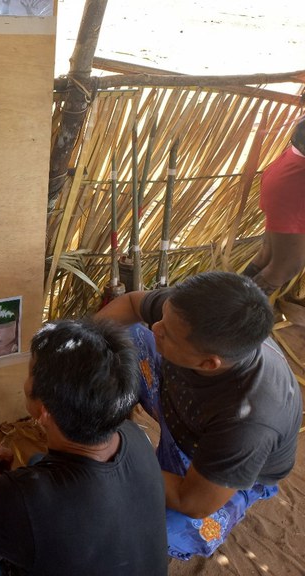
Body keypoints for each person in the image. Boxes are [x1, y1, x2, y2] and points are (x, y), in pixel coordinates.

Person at [0, 318, 168, 576]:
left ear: (43, 411)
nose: (26, 379)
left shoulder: (29, 495)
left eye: (30, 373)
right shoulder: (135, 437)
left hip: (43, 513)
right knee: (36, 461)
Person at [96, 271, 302, 560]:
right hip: (180, 403)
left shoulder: (248, 420)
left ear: (208, 363)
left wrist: (112, 458)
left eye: (167, 333)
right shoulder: (189, 314)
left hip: (208, 465)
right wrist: (78, 344)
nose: (155, 327)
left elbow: (191, 501)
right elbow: (131, 304)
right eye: (162, 320)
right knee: (116, 335)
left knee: (149, 527)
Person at [243, 117, 305, 296]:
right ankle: (234, 318)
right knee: (286, 266)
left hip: (288, 172)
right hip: (295, 185)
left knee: (267, 256)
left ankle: (223, 308)